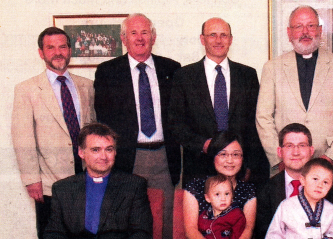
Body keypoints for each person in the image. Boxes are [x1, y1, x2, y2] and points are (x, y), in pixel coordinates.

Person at [94, 13, 181, 238]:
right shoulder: (107, 72)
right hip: (128, 157)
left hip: (164, 157)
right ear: (124, 38)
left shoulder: (172, 69)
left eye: (145, 32)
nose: (140, 38)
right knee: (128, 221)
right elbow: (103, 119)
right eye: (133, 33)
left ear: (153, 37)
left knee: (167, 221)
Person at [256, 5, 333, 177]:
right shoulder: (272, 68)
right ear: (289, 33)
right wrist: (280, 159)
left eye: (311, 26)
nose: (305, 32)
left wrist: (331, 157)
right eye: (298, 26)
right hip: (286, 166)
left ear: (320, 30)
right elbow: (263, 118)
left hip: (328, 162)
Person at [12, 27, 95, 238]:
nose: (58, 52)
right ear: (41, 52)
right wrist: (32, 179)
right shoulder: (27, 89)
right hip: (50, 183)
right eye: (51, 48)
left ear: (70, 50)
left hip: (86, 179)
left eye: (62, 46)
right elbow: (23, 138)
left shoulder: (87, 86)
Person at [169, 17, 268, 186]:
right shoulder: (184, 76)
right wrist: (205, 145)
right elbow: (176, 123)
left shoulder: (247, 75)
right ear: (203, 39)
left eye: (224, 35)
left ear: (230, 39)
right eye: (212, 35)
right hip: (199, 166)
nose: (218, 40)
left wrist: (250, 163)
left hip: (239, 169)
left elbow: (255, 123)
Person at [44, 123, 152, 238]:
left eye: (109, 149)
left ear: (115, 152)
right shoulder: (62, 188)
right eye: (96, 150)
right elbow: (54, 233)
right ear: (81, 152)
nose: (103, 157)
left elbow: (141, 233)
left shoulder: (134, 185)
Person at [255, 123, 333, 239]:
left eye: (302, 145)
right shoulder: (266, 189)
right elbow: (264, 233)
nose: (296, 152)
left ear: (311, 151)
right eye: (289, 146)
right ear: (280, 152)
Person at [183, 131, 256, 239]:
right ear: (213, 157)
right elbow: (190, 230)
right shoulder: (195, 186)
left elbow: (248, 229)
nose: (230, 160)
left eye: (236, 154)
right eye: (223, 154)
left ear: (242, 158)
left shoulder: (247, 190)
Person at [266, 158, 333, 238]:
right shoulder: (286, 206)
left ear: (331, 186)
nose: (320, 185)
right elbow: (274, 234)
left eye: (325, 182)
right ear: (303, 180)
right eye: (315, 179)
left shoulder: (332, 210)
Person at [197, 175, 246, 239]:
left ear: (232, 196)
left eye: (227, 194)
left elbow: (238, 235)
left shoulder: (236, 215)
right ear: (208, 198)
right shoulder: (203, 216)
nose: (223, 198)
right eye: (217, 194)